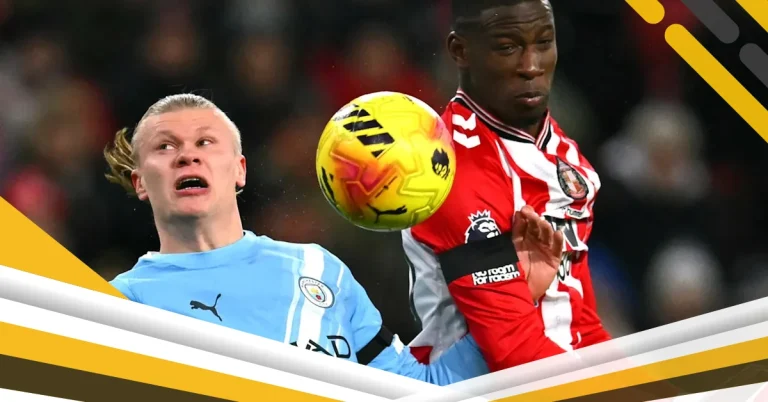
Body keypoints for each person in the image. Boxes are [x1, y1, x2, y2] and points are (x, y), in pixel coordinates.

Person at [103, 93, 563, 384]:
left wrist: (514, 296)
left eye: (205, 142)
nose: (187, 155)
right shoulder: (119, 304)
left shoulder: (319, 269)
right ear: (140, 180)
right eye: (165, 146)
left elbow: (418, 391)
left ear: (239, 170)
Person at [402, 0, 612, 373]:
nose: (531, 66)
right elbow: (514, 353)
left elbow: (580, 324)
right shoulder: (450, 170)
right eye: (508, 47)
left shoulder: (564, 154)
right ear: (460, 50)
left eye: (544, 42)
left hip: (566, 380)